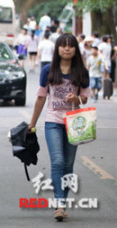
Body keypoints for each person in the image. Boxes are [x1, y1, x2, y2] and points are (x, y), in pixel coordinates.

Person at [28, 34, 91, 222]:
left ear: (75, 49)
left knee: (68, 164)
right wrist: (32, 124)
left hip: (74, 123)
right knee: (57, 161)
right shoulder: (48, 70)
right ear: (57, 49)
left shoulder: (81, 72)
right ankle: (60, 204)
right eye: (62, 46)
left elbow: (85, 97)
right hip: (53, 121)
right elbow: (41, 98)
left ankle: (62, 201)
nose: (66, 49)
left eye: (70, 46)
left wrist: (77, 99)